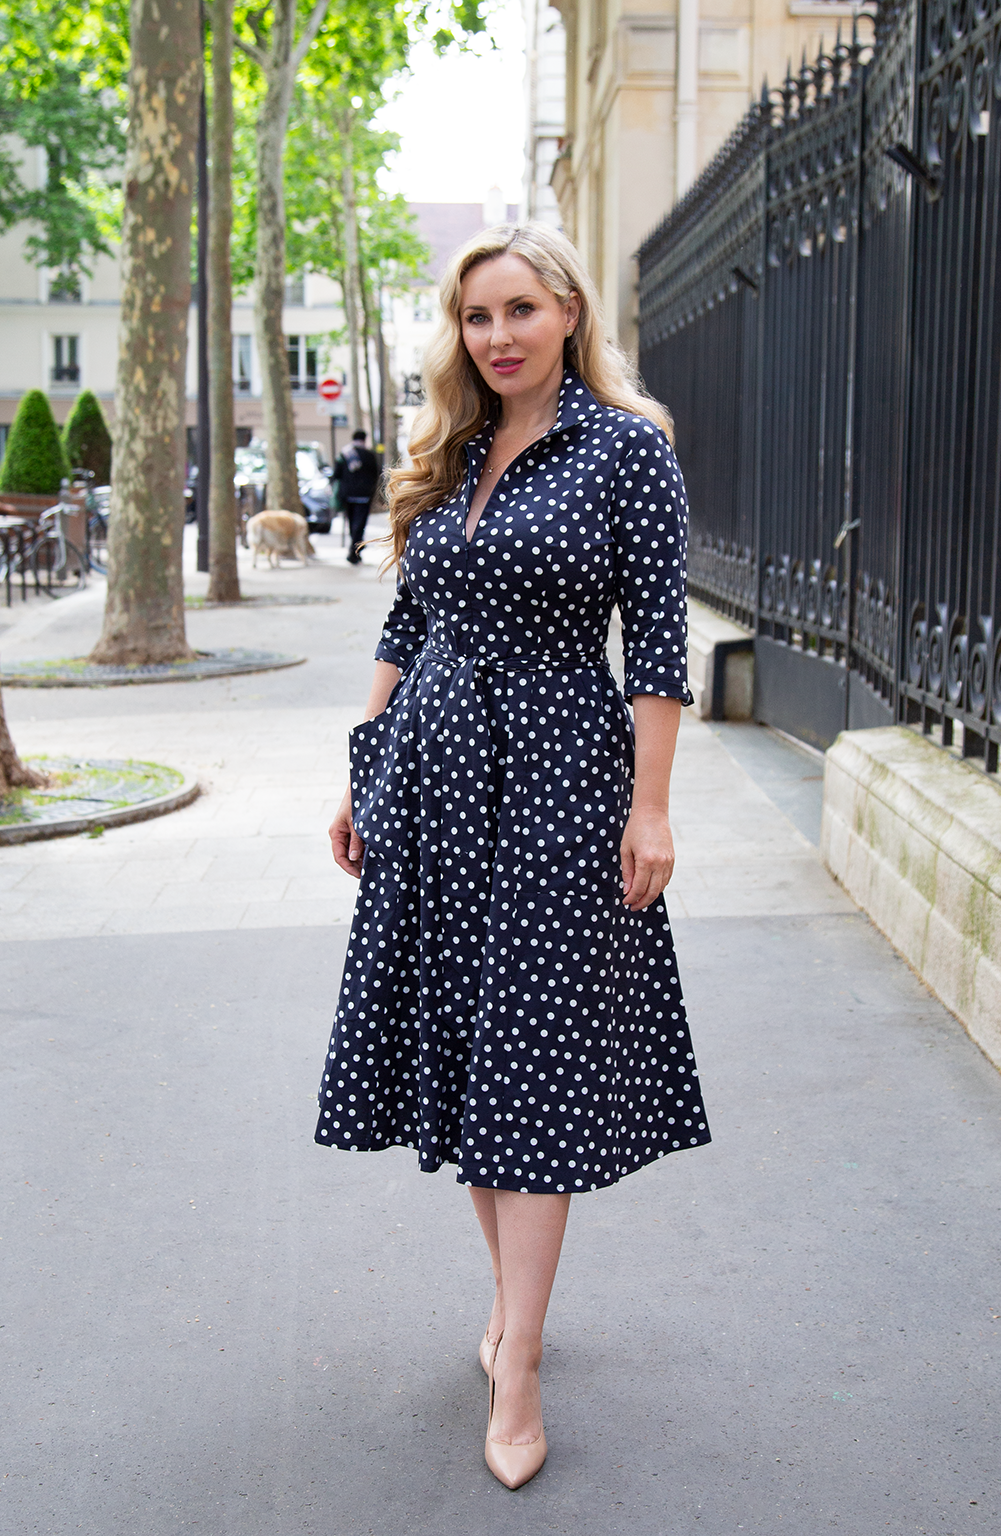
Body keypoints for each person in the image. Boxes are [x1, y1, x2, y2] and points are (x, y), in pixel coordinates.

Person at [316, 222, 710, 1490]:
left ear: (569, 315)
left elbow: (656, 646)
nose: (496, 336)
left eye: (520, 311)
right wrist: (362, 764)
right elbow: (408, 611)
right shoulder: (460, 448)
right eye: (477, 316)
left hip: (555, 777)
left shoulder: (624, 451)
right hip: (430, 772)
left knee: (530, 1059)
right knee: (470, 1046)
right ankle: (509, 1307)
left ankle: (521, 1360)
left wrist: (648, 811)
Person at [331, 428, 380, 564]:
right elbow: (376, 474)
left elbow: (337, 475)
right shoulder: (369, 455)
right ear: (364, 439)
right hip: (364, 495)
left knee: (352, 522)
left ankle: (355, 549)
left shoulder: (344, 454)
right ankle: (355, 549)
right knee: (360, 523)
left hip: (347, 494)